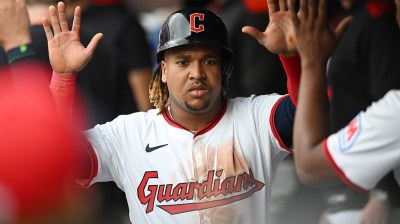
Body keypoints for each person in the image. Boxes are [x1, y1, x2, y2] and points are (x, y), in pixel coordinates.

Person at [40, 0, 315, 222]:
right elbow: (53, 160)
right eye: (183, 62)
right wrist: (63, 78)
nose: (197, 73)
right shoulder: (128, 134)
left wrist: (293, 60)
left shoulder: (256, 118)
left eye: (208, 60)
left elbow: (310, 115)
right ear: (164, 71)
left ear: (224, 69)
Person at [292, 0, 400, 223]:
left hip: (365, 186)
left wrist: (384, 194)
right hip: (343, 172)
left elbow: (309, 167)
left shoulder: (378, 19)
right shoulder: (347, 18)